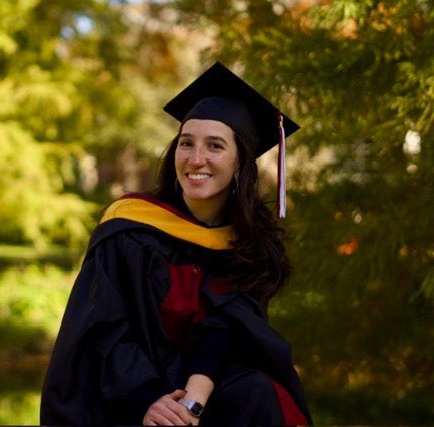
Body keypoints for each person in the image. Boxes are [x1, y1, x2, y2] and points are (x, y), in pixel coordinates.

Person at [40, 62, 312, 426]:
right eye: (187, 143)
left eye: (215, 146)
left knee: (258, 393)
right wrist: (149, 401)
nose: (196, 159)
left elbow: (226, 332)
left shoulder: (247, 244)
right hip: (127, 392)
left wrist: (193, 403)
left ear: (239, 164)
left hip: (203, 386)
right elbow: (102, 331)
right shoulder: (131, 226)